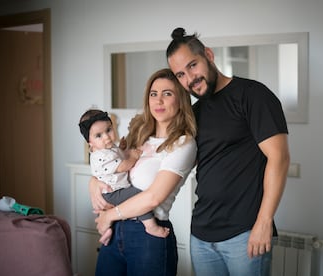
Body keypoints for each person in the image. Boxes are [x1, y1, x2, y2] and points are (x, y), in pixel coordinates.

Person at [166, 27, 290, 276]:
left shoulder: (252, 95)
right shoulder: (195, 113)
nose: (190, 78)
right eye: (180, 74)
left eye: (192, 65)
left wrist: (264, 222)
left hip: (244, 233)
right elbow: (174, 162)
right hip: (201, 235)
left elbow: (280, 158)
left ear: (208, 55)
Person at [89, 68, 197, 276]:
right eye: (153, 94)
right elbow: (110, 169)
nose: (158, 100)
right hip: (116, 231)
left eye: (167, 93)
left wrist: (108, 215)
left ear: (181, 100)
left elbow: (153, 198)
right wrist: (93, 182)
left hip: (147, 235)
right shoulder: (139, 136)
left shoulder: (183, 144)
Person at [78, 109, 170, 246]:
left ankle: (106, 232)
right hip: (113, 192)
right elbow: (123, 166)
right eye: (98, 135)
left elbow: (117, 155)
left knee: (108, 211)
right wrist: (133, 156)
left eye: (108, 130)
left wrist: (121, 148)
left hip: (110, 190)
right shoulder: (101, 155)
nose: (106, 137)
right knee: (138, 197)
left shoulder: (107, 148)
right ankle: (151, 226)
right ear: (89, 142)